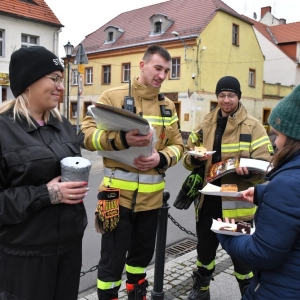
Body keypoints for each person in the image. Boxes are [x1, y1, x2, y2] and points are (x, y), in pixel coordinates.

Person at [80, 44, 184, 300]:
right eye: (157, 68)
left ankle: (137, 294)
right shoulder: (112, 97)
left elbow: (180, 145)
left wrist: (161, 157)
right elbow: (85, 136)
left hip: (151, 201)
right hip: (115, 198)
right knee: (110, 263)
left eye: (166, 71)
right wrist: (121, 140)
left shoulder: (168, 106)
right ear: (142, 65)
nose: (161, 75)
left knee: (140, 260)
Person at [0, 46, 88, 300]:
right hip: (25, 257)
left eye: (61, 78)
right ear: (29, 80)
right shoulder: (3, 129)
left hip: (69, 249)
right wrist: (46, 194)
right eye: (54, 78)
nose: (61, 86)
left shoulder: (61, 125)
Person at [180, 76, 274, 300]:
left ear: (239, 97)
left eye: (231, 95)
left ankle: (248, 293)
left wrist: (249, 171)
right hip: (208, 202)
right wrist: (195, 159)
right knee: (204, 252)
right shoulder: (206, 123)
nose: (226, 99)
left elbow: (265, 162)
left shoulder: (253, 126)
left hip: (236, 205)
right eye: (222, 95)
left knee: (241, 257)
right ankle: (201, 291)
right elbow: (186, 155)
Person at [217, 84, 300, 299]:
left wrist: (227, 232)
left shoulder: (287, 182)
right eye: (222, 95)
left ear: (293, 137)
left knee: (243, 268)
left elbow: (263, 253)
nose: (275, 142)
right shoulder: (209, 121)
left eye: (277, 135)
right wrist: (265, 193)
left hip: (280, 289)